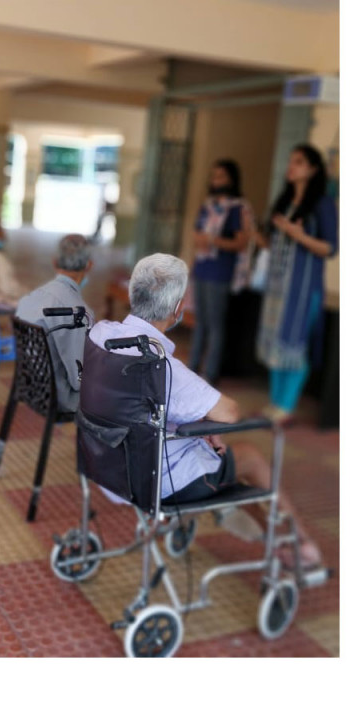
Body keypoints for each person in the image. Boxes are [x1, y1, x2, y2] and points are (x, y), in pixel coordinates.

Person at [88, 253, 323, 569]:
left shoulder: (100, 334)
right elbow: (229, 412)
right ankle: (300, 545)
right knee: (249, 457)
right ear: (177, 309)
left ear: (133, 293)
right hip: (156, 482)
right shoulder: (164, 368)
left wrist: (199, 420)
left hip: (106, 470)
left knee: (224, 463)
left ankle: (257, 526)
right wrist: (205, 422)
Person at [256, 144, 338, 423]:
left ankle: (286, 406)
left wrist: (299, 235)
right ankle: (274, 403)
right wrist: (254, 234)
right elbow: (274, 245)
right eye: (291, 161)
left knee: (293, 345)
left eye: (299, 162)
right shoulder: (285, 201)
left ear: (313, 169)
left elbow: (329, 248)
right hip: (277, 289)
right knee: (276, 345)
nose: (291, 166)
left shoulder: (322, 205)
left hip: (302, 291)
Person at [189, 159, 254, 385]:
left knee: (215, 324)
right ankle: (192, 368)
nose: (216, 180)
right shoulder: (208, 205)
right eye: (214, 176)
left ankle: (210, 372)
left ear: (231, 179)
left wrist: (212, 240)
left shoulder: (237, 208)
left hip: (220, 272)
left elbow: (240, 243)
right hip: (202, 268)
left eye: (221, 176)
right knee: (200, 322)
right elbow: (197, 234)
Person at [16, 234, 94, 413]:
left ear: (54, 262)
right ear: (89, 265)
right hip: (58, 397)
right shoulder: (80, 314)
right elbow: (78, 379)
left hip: (29, 387)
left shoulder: (30, 298)